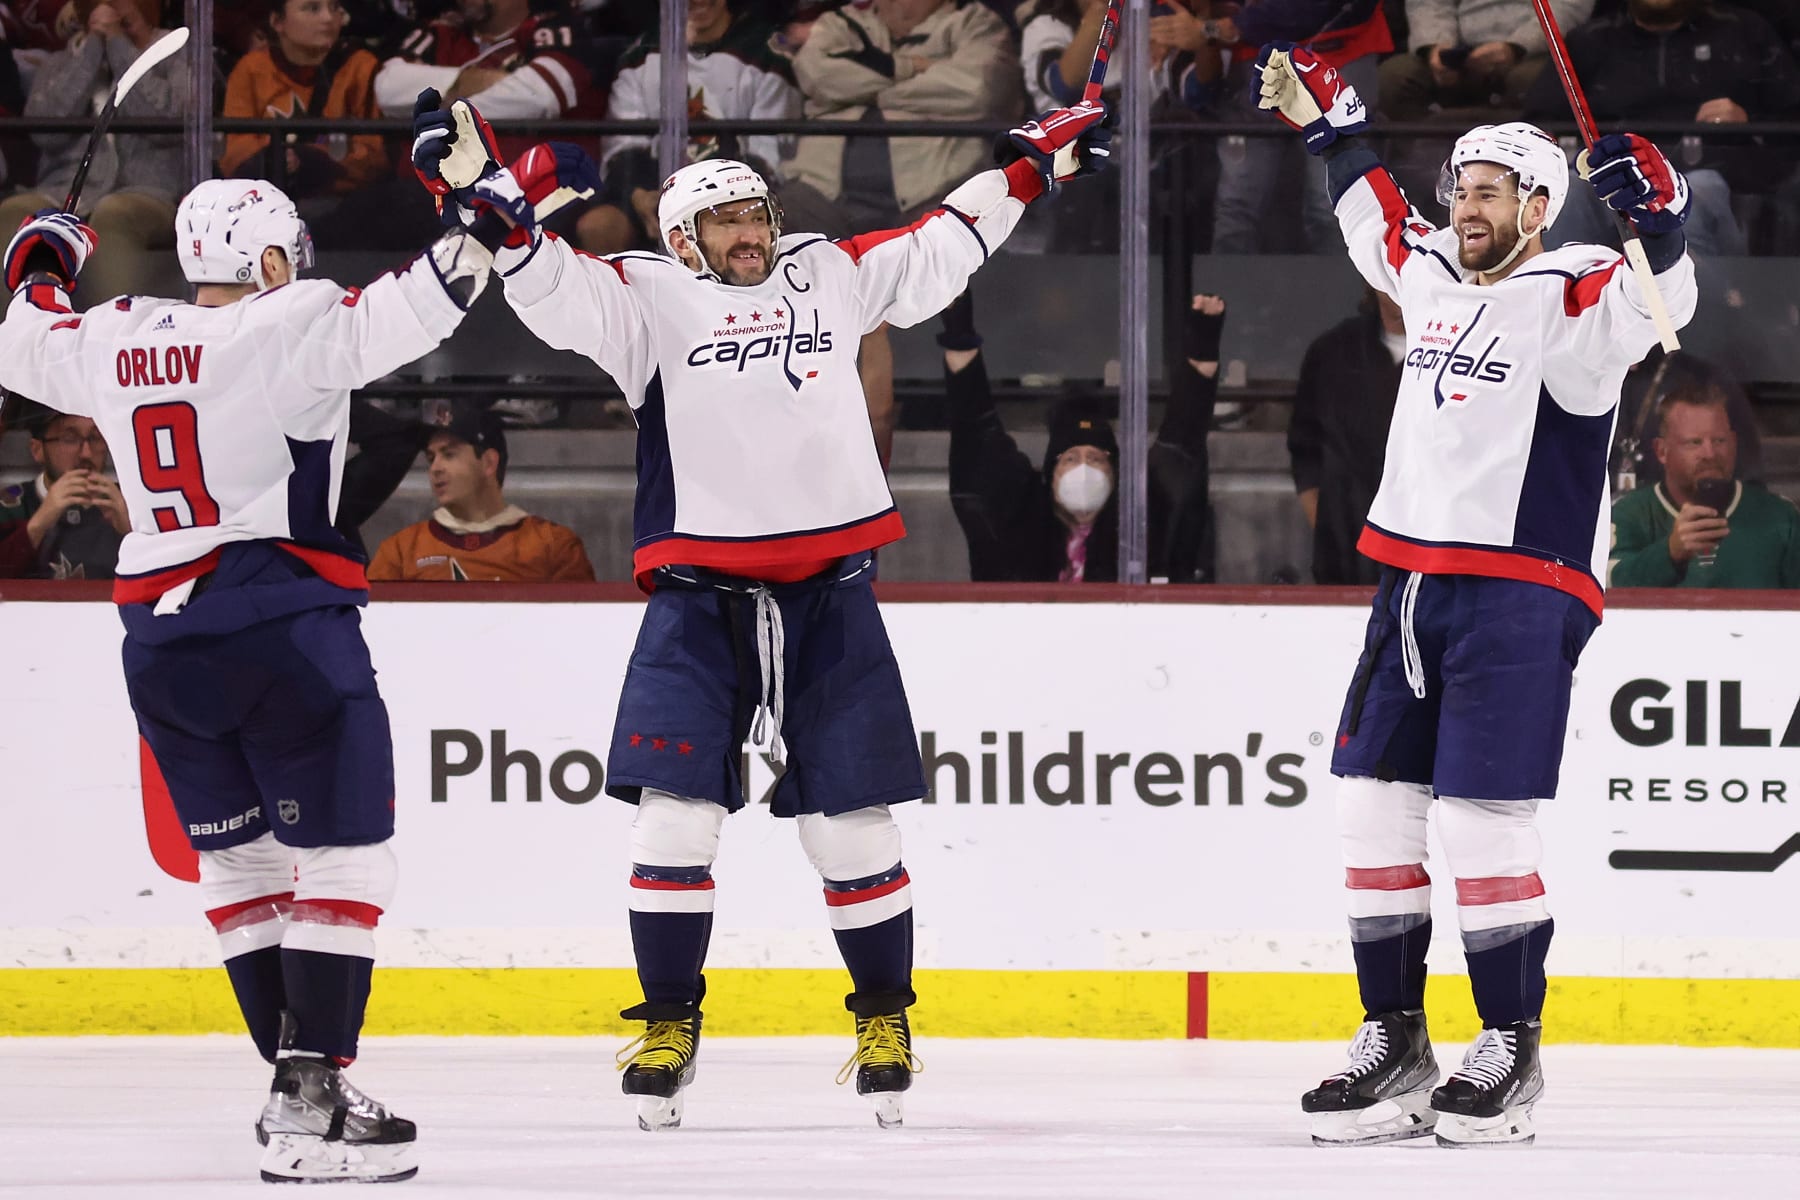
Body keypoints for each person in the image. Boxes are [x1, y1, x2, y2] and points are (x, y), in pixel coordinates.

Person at [410, 84, 1112, 1130]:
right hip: (700, 602)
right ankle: (668, 1022)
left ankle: (884, 1018)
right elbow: (553, 286)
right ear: (683, 235)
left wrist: (1029, 163)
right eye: (728, 220)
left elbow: (941, 242)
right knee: (675, 822)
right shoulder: (645, 298)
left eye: (758, 214)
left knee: (853, 833)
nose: (753, 234)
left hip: (829, 594)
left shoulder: (826, 273)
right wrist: (487, 206)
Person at [0, 138, 523, 1177]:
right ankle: (309, 1091)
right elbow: (440, 289)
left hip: (158, 638)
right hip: (280, 620)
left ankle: (300, 1092)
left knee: (238, 866)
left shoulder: (114, 331)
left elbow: (23, 338)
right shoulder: (293, 321)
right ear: (276, 261)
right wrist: (484, 202)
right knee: (345, 857)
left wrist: (39, 261)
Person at [1253, 46, 1698, 1145]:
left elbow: (1662, 303)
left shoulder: (1577, 290)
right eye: (1460, 186)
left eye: (1490, 189)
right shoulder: (1432, 272)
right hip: (1410, 579)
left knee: (1480, 822)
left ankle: (1510, 1046)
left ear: (1541, 204)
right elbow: (1372, 215)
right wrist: (1331, 125)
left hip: (1521, 588)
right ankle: (1396, 1040)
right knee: (1372, 808)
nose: (1467, 205)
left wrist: (1667, 213)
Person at [944, 288, 1221, 583]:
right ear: (1051, 474)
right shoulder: (1018, 532)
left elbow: (1182, 442)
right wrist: (961, 341)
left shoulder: (1148, 532)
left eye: (1096, 458)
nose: (1084, 468)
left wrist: (1201, 359)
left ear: (1115, 475)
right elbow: (976, 433)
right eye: (1071, 458)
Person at [1527, 0, 1800, 259]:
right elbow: (1538, 123)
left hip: (1707, 173)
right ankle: (1550, 298)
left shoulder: (1742, 32)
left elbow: (1790, 115)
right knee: (1569, 191)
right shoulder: (1590, 40)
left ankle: (1706, 305)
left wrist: (1747, 118)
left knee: (1691, 200)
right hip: (1606, 174)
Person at [0, 1, 187, 304]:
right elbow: (44, 132)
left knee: (114, 214)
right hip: (63, 191)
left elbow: (166, 119)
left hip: (149, 192)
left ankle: (115, 336)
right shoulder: (62, 61)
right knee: (14, 213)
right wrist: (91, 53)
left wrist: (119, 46)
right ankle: (13, 336)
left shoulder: (176, 53)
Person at [579, 0, 801, 255]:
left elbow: (769, 156)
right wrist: (639, 195)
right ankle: (616, 295)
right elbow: (623, 145)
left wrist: (717, 203)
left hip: (733, 193)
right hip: (654, 189)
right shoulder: (643, 52)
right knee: (598, 226)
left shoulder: (766, 52)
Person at [220, 0, 391, 244]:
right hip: (263, 208)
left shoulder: (361, 66)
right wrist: (275, 159)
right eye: (312, 8)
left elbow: (374, 158)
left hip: (344, 208)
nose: (328, 18)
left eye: (334, 8)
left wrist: (310, 159)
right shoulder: (251, 69)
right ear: (277, 22)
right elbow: (233, 155)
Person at [367, 402, 596, 581]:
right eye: (431, 458)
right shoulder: (399, 551)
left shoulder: (553, 546)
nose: (435, 468)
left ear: (488, 462)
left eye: (449, 454)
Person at [1607, 387, 1800, 589]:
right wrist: (1669, 553)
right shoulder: (1628, 514)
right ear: (1662, 451)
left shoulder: (1781, 516)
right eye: (1694, 442)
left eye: (1719, 441)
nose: (1709, 453)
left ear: (1734, 443)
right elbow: (1604, 588)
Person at [1287, 288, 1404, 585]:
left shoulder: (1462, 352)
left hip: (1427, 554)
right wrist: (1324, 523)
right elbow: (1304, 447)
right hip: (1343, 547)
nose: (1402, 283)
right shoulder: (1332, 351)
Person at [1381, 0, 1591, 120]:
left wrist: (1516, 47)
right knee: (1395, 76)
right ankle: (1413, 165)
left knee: (1534, 81)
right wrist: (1437, 48)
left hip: (1533, 50)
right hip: (1458, 45)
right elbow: (1429, 3)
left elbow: (1568, 5)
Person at [0, 403, 130, 578]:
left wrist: (132, 532)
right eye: (70, 438)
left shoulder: (130, 501)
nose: (86, 453)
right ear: (37, 449)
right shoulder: (9, 506)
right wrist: (37, 525)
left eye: (95, 437)